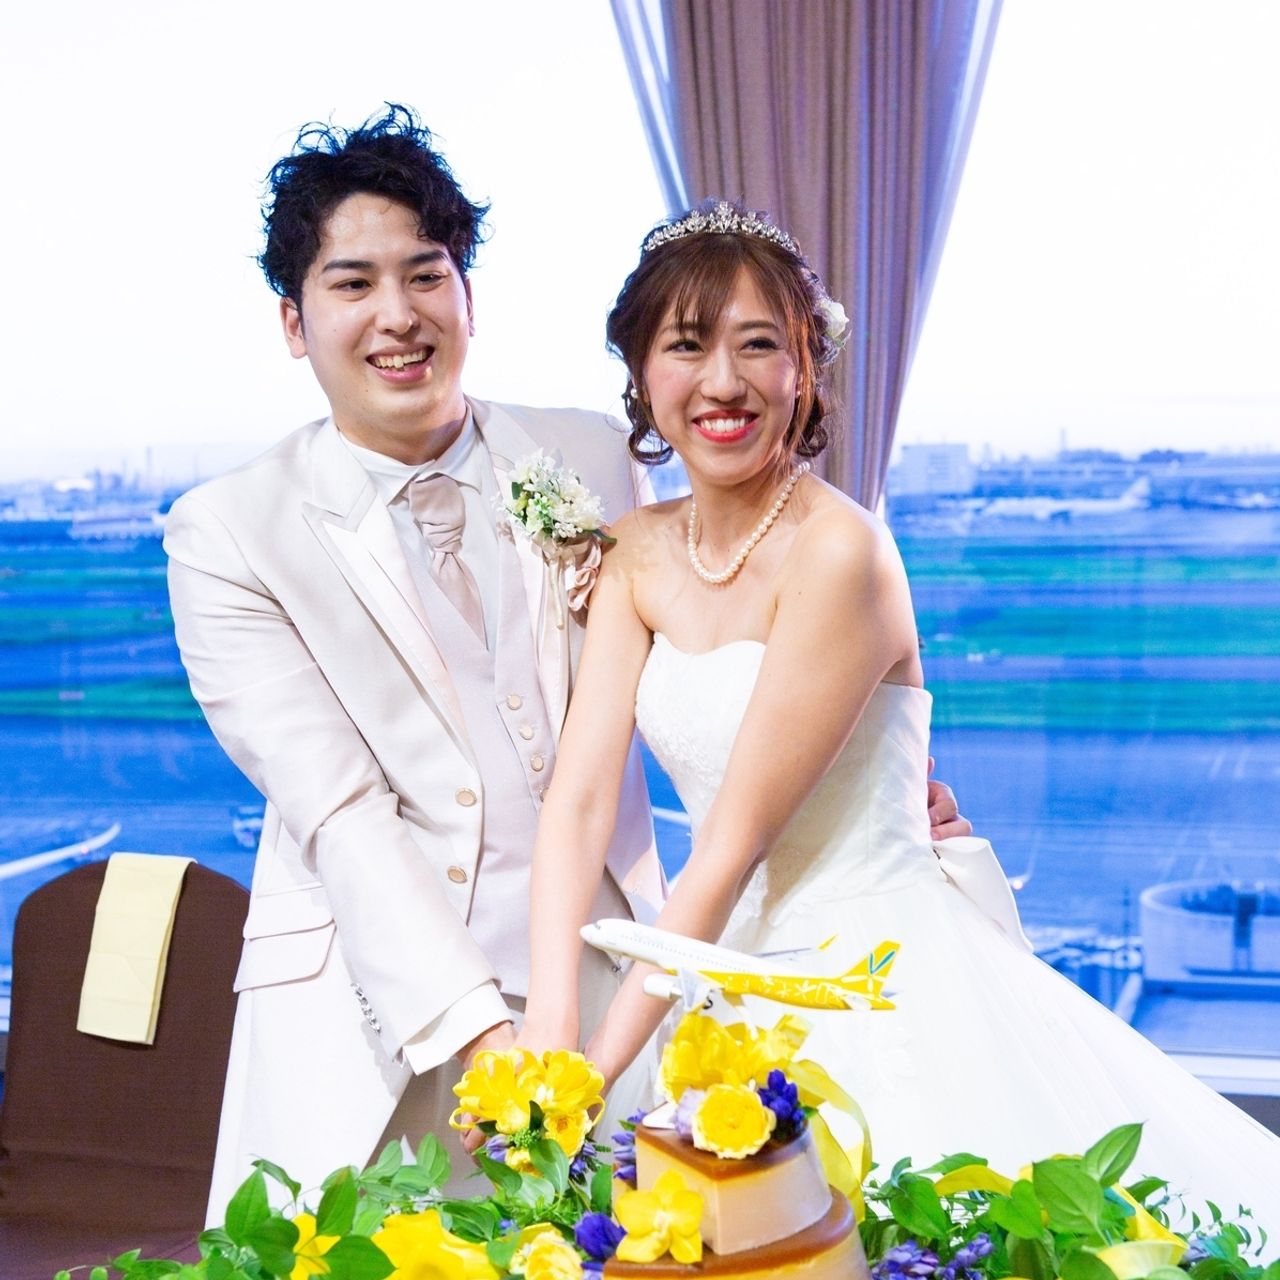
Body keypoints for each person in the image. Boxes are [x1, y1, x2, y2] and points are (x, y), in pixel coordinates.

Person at [518, 201, 1280, 1232]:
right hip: (713, 970)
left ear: (805, 368)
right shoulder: (637, 551)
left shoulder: (841, 550)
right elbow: (576, 804)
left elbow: (735, 842)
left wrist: (591, 1079)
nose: (722, 382)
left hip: (869, 971)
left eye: (758, 345)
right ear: (642, 372)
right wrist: (550, 1033)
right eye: (686, 345)